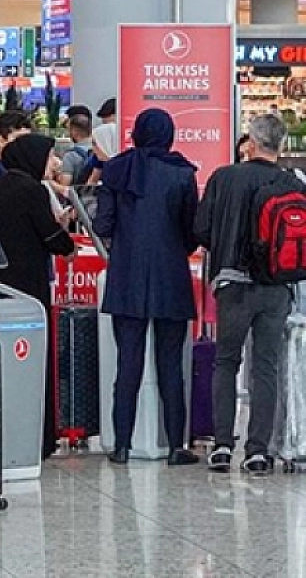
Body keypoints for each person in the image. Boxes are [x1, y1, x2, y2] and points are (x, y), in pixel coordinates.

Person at [94, 107, 200, 467]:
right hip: (172, 277)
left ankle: (121, 445)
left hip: (126, 277)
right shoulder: (182, 173)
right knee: (171, 365)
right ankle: (174, 446)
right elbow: (191, 232)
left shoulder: (116, 170)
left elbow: (103, 224)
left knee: (128, 364)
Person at [194, 113, 296, 475]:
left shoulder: (224, 178)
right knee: (266, 366)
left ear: (250, 143)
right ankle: (258, 450)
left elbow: (201, 230)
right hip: (276, 288)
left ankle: (222, 445)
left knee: (227, 361)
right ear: (281, 146)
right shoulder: (292, 182)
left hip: (233, 286)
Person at [0, 133, 76, 460]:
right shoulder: (31, 190)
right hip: (29, 285)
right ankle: (40, 436)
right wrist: (65, 235)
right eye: (50, 156)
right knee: (35, 359)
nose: (55, 163)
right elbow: (52, 239)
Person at [58, 114, 98, 188]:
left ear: (74, 132)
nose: (68, 133)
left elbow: (64, 185)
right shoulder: (101, 151)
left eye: (68, 129)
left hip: (79, 196)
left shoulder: (70, 155)